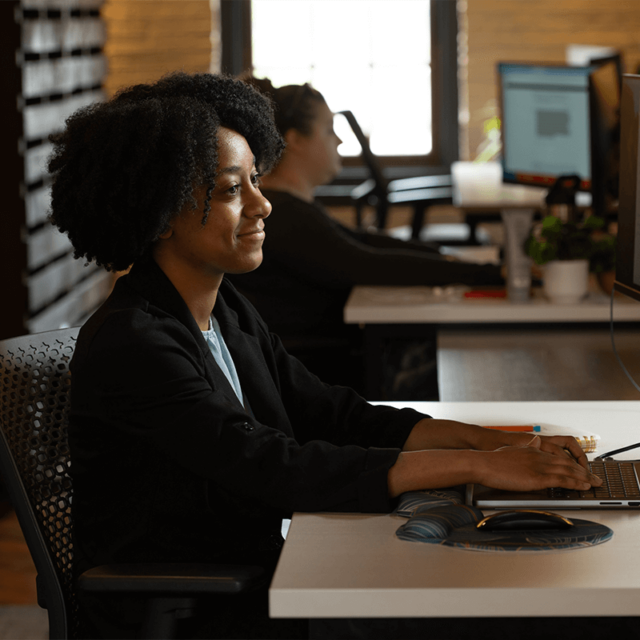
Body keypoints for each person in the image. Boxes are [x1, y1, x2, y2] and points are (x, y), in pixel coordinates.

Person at [47, 72, 600, 639]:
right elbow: (272, 465)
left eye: (256, 181)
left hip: (264, 567)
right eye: (231, 190)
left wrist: (490, 441)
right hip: (209, 607)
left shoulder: (224, 309)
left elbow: (331, 412)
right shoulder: (134, 343)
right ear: (160, 211)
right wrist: (477, 466)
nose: (263, 204)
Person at [227, 78, 504, 397]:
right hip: (320, 374)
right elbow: (367, 263)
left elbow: (363, 240)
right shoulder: (285, 214)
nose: (341, 141)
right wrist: (488, 274)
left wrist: (448, 257)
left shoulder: (294, 207)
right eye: (330, 130)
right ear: (295, 141)